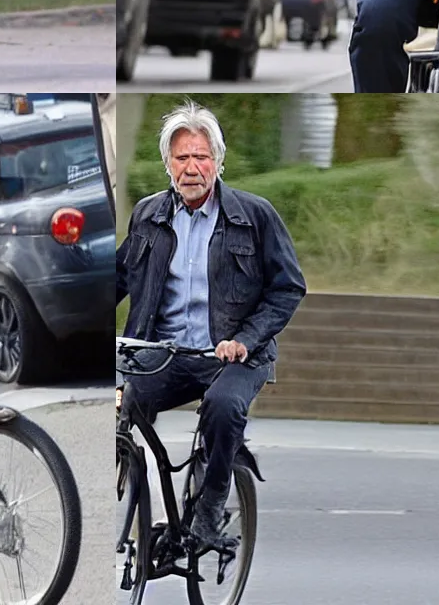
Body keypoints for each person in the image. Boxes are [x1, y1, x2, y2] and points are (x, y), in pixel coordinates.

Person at [115, 102, 305, 554]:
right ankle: (134, 501)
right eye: (182, 158)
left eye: (201, 157)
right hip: (164, 353)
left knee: (222, 408)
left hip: (234, 358)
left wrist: (244, 340)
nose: (192, 168)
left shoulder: (255, 216)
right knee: (119, 404)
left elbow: (288, 288)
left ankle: (210, 508)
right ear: (168, 165)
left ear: (219, 162)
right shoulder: (148, 216)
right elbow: (118, 279)